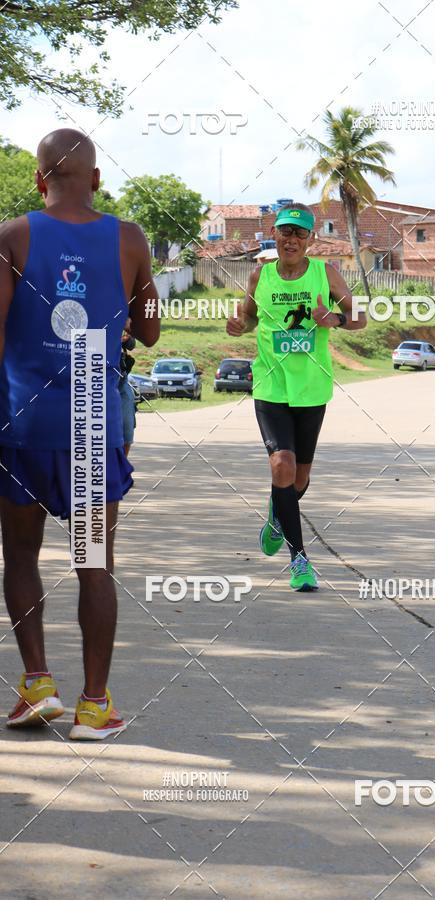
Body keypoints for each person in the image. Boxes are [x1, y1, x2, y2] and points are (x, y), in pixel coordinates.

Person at [0, 128, 160, 739]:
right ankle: (95, 705)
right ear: (96, 178)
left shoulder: (14, 236)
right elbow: (148, 332)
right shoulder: (127, 238)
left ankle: (38, 683)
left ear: (40, 179)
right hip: (93, 418)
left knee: (19, 554)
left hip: (22, 422)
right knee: (95, 562)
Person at [226, 203, 366, 591]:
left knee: (299, 477)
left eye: (299, 233)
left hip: (312, 388)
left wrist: (334, 319)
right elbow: (249, 317)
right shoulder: (260, 276)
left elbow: (361, 318)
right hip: (271, 385)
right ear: (275, 234)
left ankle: (277, 510)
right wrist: (240, 324)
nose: (291, 239)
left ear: (311, 240)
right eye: (285, 232)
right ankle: (300, 561)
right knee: (282, 465)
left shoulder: (327, 274)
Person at [119, 318, 137, 456]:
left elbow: (132, 344)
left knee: (127, 426)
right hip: (93, 375)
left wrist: (126, 338)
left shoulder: (121, 308)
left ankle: (122, 465)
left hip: (120, 378)